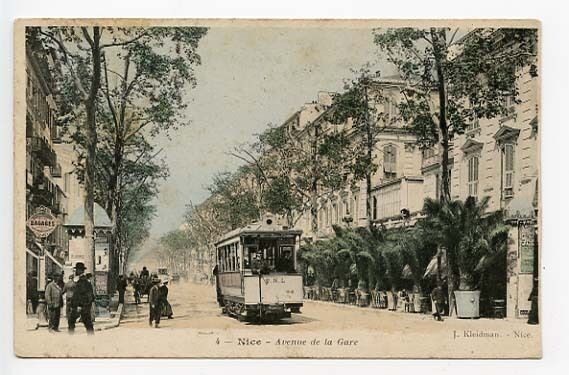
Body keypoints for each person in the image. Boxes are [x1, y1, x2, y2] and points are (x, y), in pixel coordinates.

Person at [68, 262, 95, 334]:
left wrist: (80, 305)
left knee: (72, 321)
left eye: (77, 270)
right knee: (87, 323)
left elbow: (82, 295)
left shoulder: (83, 281)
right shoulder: (81, 280)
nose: (76, 271)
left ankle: (70, 337)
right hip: (80, 306)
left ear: (80, 270)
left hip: (80, 307)